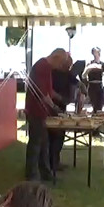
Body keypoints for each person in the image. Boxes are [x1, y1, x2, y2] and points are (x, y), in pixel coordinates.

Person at [25, 48, 70, 181]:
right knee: (35, 144)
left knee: (44, 143)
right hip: (35, 110)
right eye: (61, 62)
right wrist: (55, 107)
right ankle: (31, 175)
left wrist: (60, 99)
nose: (60, 66)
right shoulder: (42, 66)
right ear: (55, 57)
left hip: (42, 111)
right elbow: (42, 93)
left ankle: (45, 173)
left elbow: (49, 91)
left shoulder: (47, 68)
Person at [47, 56, 80, 174]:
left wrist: (81, 89)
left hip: (62, 107)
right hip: (51, 107)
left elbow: (76, 83)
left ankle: (56, 161)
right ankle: (51, 163)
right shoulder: (53, 73)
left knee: (60, 135)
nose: (68, 67)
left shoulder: (68, 74)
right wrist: (61, 98)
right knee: (53, 136)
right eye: (67, 65)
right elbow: (49, 90)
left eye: (70, 65)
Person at [83, 47, 104, 113]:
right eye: (94, 52)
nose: (95, 54)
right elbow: (84, 75)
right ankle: (95, 116)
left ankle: (99, 118)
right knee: (94, 104)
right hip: (92, 85)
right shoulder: (90, 63)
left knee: (100, 105)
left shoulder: (102, 64)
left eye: (96, 52)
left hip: (99, 85)